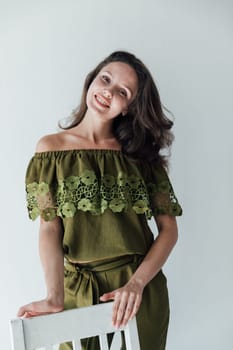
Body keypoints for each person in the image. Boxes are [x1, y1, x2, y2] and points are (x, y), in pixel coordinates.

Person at [17, 50, 182, 350]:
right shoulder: (48, 152)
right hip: (77, 290)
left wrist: (137, 284)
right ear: (91, 80)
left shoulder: (141, 156)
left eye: (122, 91)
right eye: (105, 79)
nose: (108, 91)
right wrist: (54, 296)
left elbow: (169, 230)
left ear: (129, 108)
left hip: (138, 292)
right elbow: (49, 228)